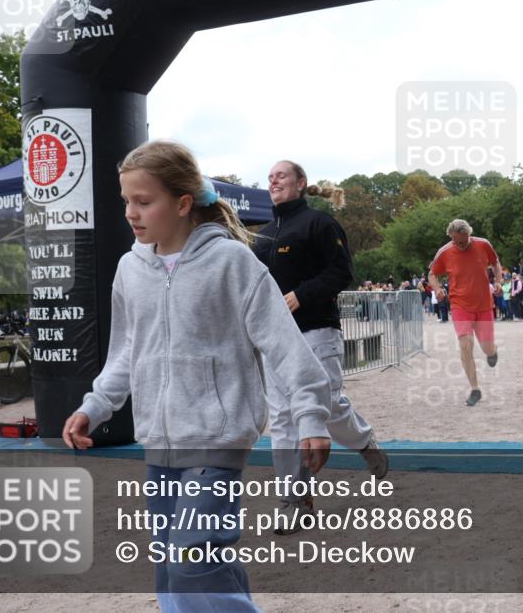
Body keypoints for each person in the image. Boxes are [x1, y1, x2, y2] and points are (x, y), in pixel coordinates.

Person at [62, 140, 333, 612]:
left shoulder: (232, 263)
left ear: (183, 203)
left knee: (193, 560)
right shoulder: (130, 269)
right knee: (173, 565)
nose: (131, 212)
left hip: (217, 440)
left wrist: (311, 416)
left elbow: (285, 347)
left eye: (144, 201)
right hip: (160, 443)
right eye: (127, 200)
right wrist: (95, 405)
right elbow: (126, 352)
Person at [254, 159, 388, 528]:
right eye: (270, 177)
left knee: (322, 405)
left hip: (316, 330)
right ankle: (294, 499)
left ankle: (364, 441)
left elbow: (342, 272)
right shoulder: (263, 235)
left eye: (281, 175)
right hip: (275, 340)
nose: (273, 180)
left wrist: (301, 295)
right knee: (282, 418)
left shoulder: (319, 223)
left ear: (301, 183)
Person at [428, 219, 501, 407]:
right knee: (466, 344)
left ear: (469, 234)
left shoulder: (483, 245)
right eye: (455, 241)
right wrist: (437, 289)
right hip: (460, 304)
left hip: (484, 304)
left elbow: (496, 262)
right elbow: (432, 274)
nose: (459, 245)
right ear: (451, 237)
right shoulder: (445, 252)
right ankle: (475, 389)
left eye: (463, 241)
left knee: (486, 348)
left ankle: (492, 352)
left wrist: (499, 281)